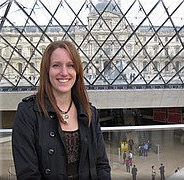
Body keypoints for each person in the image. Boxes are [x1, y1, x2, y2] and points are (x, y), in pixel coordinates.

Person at [12, 40, 111, 180]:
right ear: (46, 70)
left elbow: (101, 165)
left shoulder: (90, 112)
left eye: (70, 65)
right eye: (56, 65)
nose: (64, 72)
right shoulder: (27, 112)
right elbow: (28, 174)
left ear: (77, 70)